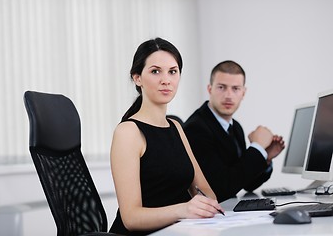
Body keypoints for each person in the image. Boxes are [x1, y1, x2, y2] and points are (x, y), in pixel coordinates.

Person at [109, 38, 224, 236]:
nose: (166, 80)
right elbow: (131, 218)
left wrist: (202, 206)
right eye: (155, 71)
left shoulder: (176, 127)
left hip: (176, 231)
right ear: (137, 78)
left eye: (173, 71)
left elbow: (206, 192)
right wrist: (184, 209)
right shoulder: (128, 132)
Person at [184, 60, 285, 203]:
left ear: (243, 93)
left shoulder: (235, 127)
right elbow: (220, 188)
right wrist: (257, 148)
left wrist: (265, 157)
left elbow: (246, 183)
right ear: (209, 89)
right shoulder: (196, 128)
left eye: (236, 89)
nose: (228, 95)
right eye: (221, 87)